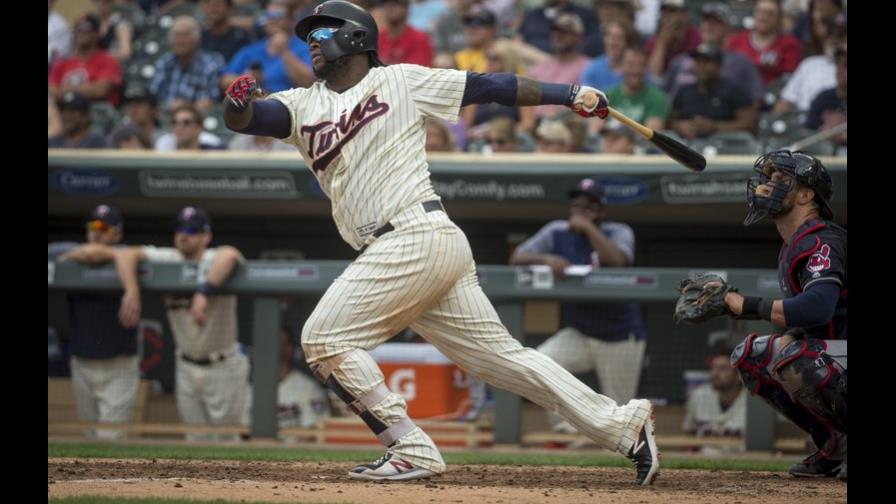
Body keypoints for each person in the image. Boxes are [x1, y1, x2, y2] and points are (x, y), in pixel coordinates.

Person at [222, 0, 658, 485]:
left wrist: (569, 93)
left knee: (323, 339)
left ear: (355, 36)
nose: (312, 40)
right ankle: (623, 426)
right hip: (411, 248)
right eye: (310, 33)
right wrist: (235, 105)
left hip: (415, 234)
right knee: (506, 361)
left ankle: (410, 447)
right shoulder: (304, 103)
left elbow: (493, 86)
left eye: (323, 30)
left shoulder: (400, 80)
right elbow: (249, 120)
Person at [695, 150, 847, 480]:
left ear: (807, 195)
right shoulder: (793, 245)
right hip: (841, 353)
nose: (767, 187)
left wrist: (745, 304)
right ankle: (834, 446)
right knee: (753, 356)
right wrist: (787, 337)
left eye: (781, 181)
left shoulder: (822, 239)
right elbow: (814, 323)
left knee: (796, 359)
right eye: (769, 179)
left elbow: (817, 306)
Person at [510, 178, 647, 434]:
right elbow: (517, 257)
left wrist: (587, 228)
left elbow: (617, 261)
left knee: (622, 414)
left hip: (619, 334)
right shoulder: (556, 230)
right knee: (541, 363)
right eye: (576, 205)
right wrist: (546, 258)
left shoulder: (618, 231)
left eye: (588, 207)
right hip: (581, 332)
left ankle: (618, 455)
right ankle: (566, 430)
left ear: (601, 212)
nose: (579, 210)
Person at [115, 207, 249, 442]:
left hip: (223, 363)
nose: (183, 235)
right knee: (195, 438)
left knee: (227, 440)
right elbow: (125, 255)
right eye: (179, 229)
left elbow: (230, 255)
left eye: (192, 230)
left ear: (206, 236)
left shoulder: (213, 257)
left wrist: (203, 293)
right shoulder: (169, 258)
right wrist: (131, 290)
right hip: (186, 363)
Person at [48, 205, 139, 439]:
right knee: (89, 435)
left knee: (111, 437)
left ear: (117, 234)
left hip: (119, 363)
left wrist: (104, 255)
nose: (97, 232)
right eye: (93, 227)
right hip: (82, 363)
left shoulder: (127, 256)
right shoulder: (72, 252)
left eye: (104, 228)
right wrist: (80, 254)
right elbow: (71, 251)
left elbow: (117, 253)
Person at [682, 341, 746, 443]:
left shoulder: (753, 402)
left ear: (738, 375)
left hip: (740, 458)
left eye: (723, 369)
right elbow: (688, 435)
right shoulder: (699, 396)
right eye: (712, 368)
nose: (715, 373)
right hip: (705, 457)